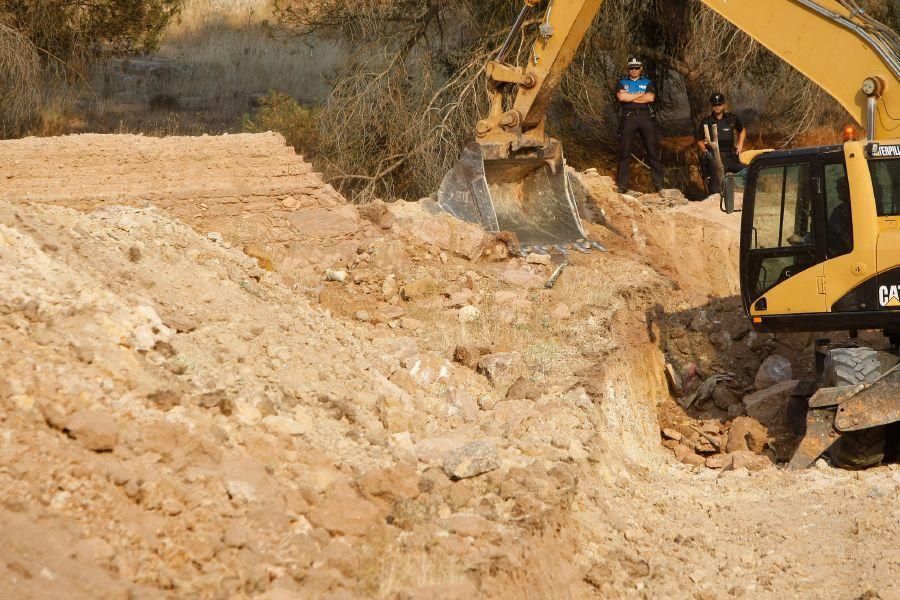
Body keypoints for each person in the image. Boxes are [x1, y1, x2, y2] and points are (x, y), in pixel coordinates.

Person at [615, 57, 665, 194]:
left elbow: (650, 98)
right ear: (628, 68)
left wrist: (630, 96)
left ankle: (659, 185)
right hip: (628, 117)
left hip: (645, 117)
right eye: (632, 68)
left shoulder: (648, 82)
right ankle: (622, 186)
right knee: (624, 152)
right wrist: (640, 94)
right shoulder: (621, 82)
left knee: (652, 150)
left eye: (637, 67)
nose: (634, 70)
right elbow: (621, 98)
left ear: (641, 68)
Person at [696, 93, 746, 195]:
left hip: (730, 157)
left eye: (719, 104)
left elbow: (742, 130)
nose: (717, 107)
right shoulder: (707, 121)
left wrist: (740, 145)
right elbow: (699, 140)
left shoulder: (731, 118)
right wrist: (706, 152)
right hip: (714, 158)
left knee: (748, 171)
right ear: (712, 106)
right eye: (715, 105)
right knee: (716, 190)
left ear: (724, 105)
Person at [827, 176, 854, 257]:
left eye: (841, 187)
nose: (837, 189)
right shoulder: (841, 209)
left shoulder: (852, 210)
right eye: (837, 187)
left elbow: (845, 238)